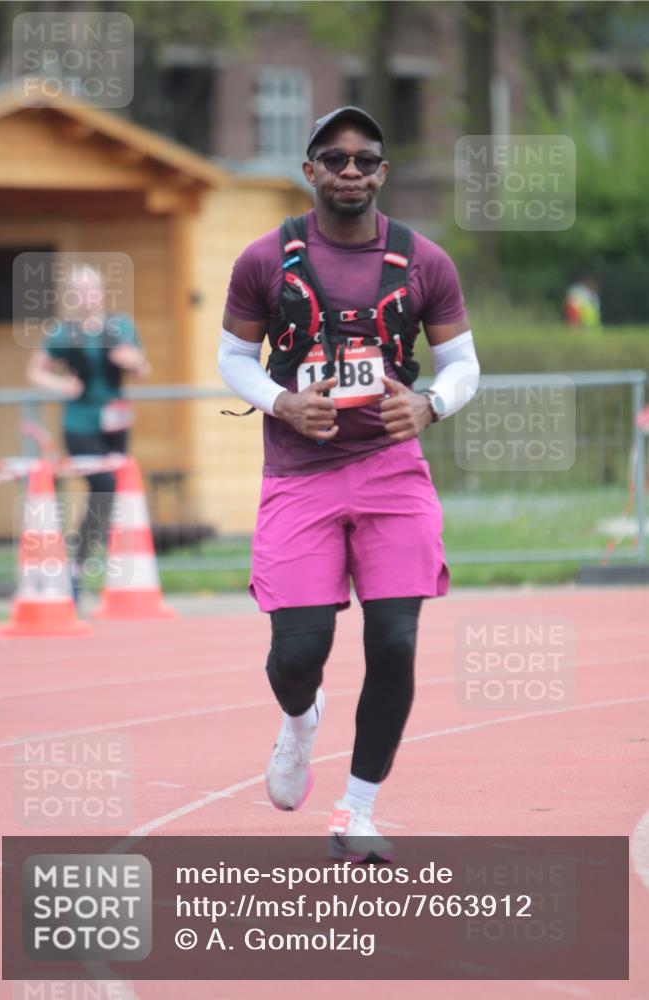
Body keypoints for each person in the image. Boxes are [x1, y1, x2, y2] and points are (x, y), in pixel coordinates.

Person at [218, 106, 480, 861]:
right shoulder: (263, 260)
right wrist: (281, 401)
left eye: (365, 159)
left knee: (394, 641)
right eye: (334, 159)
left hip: (392, 474)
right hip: (299, 474)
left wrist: (430, 402)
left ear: (382, 172)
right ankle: (300, 720)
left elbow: (463, 362)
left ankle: (356, 812)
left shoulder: (423, 260)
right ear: (310, 172)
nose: (350, 171)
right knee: (299, 649)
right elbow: (232, 359)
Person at [27, 264, 149, 598]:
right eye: (79, 291)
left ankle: (83, 568)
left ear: (100, 292)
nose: (87, 297)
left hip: (116, 422)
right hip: (79, 423)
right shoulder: (63, 333)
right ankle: (79, 566)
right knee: (105, 487)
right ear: (72, 297)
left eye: (91, 289)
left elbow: (143, 367)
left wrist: (132, 361)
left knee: (108, 496)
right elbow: (35, 372)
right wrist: (60, 384)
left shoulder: (120, 325)